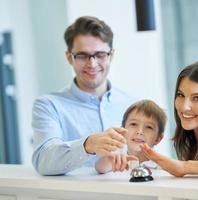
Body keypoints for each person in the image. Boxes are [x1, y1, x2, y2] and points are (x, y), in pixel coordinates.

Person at [32, 16, 136, 175]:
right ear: (69, 57)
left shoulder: (132, 103)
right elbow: (43, 161)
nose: (92, 64)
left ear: (111, 55)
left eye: (100, 54)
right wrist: (87, 145)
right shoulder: (48, 105)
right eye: (82, 55)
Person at [95, 99, 167, 173]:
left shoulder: (161, 164)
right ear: (122, 131)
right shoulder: (117, 154)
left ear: (158, 138)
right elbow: (100, 168)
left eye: (149, 127)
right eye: (133, 124)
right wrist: (109, 160)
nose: (139, 132)